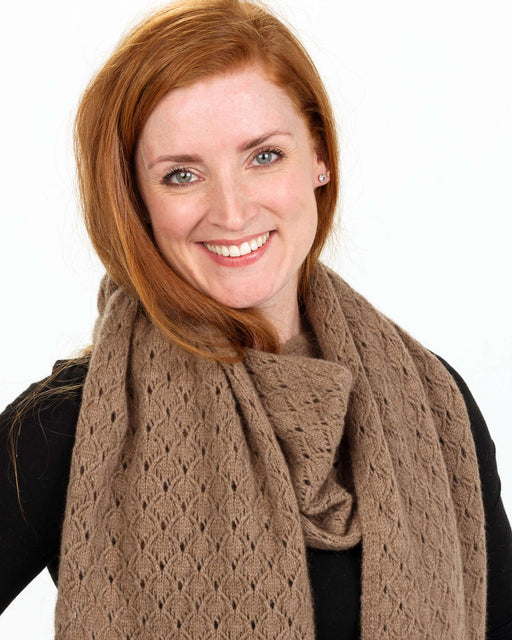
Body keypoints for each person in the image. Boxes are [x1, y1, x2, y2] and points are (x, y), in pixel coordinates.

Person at [0, 0, 511, 638]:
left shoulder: (435, 406)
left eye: (263, 156)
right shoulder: (71, 425)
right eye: (181, 174)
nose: (232, 211)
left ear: (319, 155)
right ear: (136, 199)